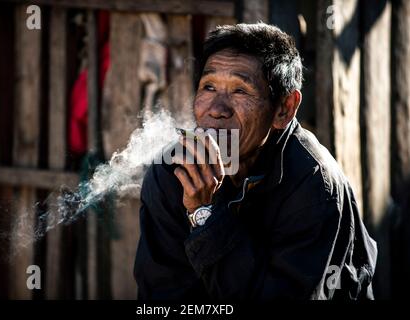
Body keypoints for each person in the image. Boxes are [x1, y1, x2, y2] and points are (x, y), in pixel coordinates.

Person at [133, 22, 377, 300]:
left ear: (283, 109)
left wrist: (206, 215)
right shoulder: (173, 172)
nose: (216, 109)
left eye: (240, 91)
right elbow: (161, 294)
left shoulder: (314, 185)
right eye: (209, 86)